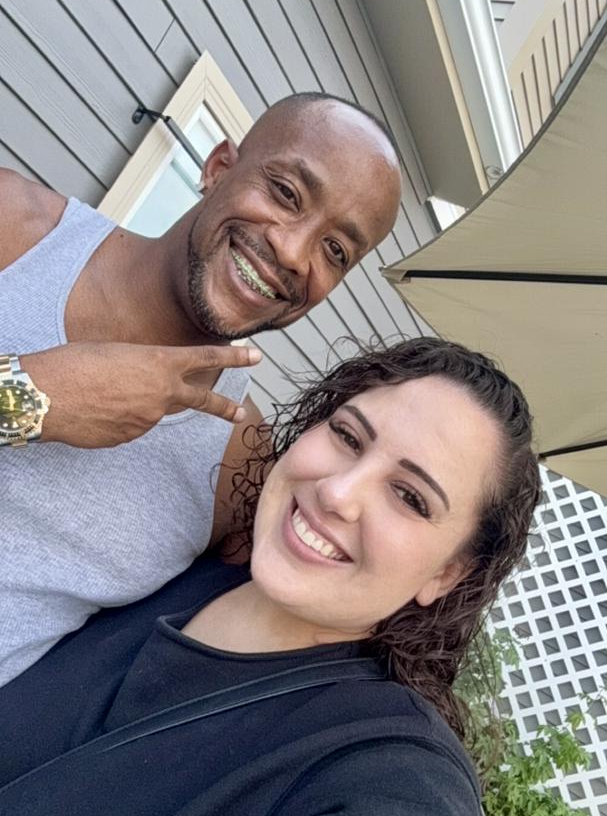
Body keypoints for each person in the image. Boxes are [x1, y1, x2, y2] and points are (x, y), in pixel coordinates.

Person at [0, 337, 541, 816]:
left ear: (447, 574)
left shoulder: (396, 779)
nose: (338, 492)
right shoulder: (173, 564)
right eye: (348, 436)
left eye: (410, 497)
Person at [0, 92, 402, 684]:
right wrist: (24, 397)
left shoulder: (243, 463)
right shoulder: (16, 228)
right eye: (286, 193)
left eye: (335, 250)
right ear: (218, 168)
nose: (294, 252)